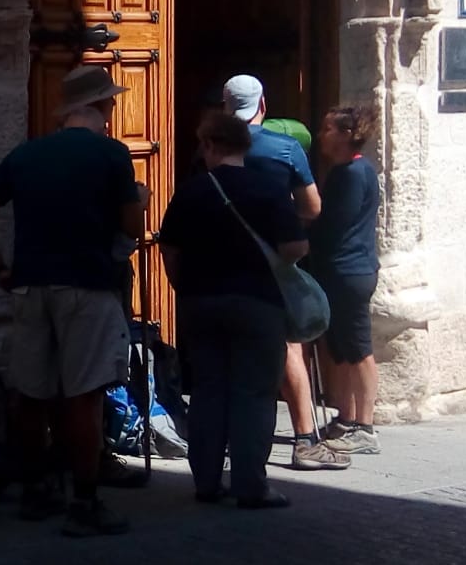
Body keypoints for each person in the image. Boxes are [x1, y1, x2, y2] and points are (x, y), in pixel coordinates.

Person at [0, 65, 146, 537]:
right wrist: (138, 200)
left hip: (30, 283)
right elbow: (131, 226)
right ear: (103, 105)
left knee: (31, 392)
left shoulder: (27, 154)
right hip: (87, 283)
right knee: (84, 396)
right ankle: (84, 501)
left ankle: (36, 489)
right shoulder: (111, 153)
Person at [159, 114, 308, 509]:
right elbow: (296, 248)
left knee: (208, 390)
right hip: (258, 301)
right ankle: (250, 484)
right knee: (254, 392)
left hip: (201, 301)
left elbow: (169, 248)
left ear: (209, 144)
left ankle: (206, 482)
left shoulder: (191, 191)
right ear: (245, 145)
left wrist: (182, 287)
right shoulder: (268, 188)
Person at [223, 74, 346, 471]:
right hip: (275, 261)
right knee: (289, 344)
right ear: (262, 105)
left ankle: (231, 438)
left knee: (230, 347)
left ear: (225, 107)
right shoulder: (285, 148)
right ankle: (305, 439)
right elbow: (312, 207)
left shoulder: (211, 149)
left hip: (223, 264)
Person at [312, 106, 382, 455]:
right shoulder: (345, 171)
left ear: (345, 134)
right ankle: (346, 417)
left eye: (328, 129)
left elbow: (333, 224)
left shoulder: (353, 173)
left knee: (358, 350)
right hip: (340, 271)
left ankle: (365, 427)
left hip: (351, 272)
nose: (322, 135)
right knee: (340, 348)